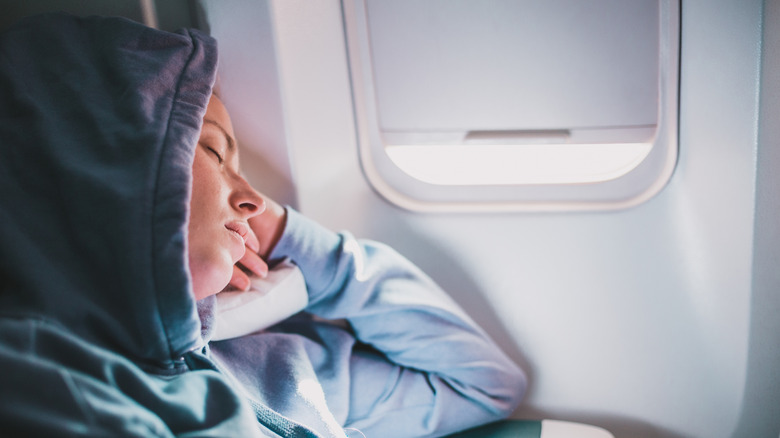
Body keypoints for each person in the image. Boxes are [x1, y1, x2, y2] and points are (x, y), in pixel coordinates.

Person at [0, 12, 526, 437]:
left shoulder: (274, 366)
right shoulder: (40, 376)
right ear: (93, 173)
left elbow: (481, 384)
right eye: (213, 150)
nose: (254, 200)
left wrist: (298, 242)